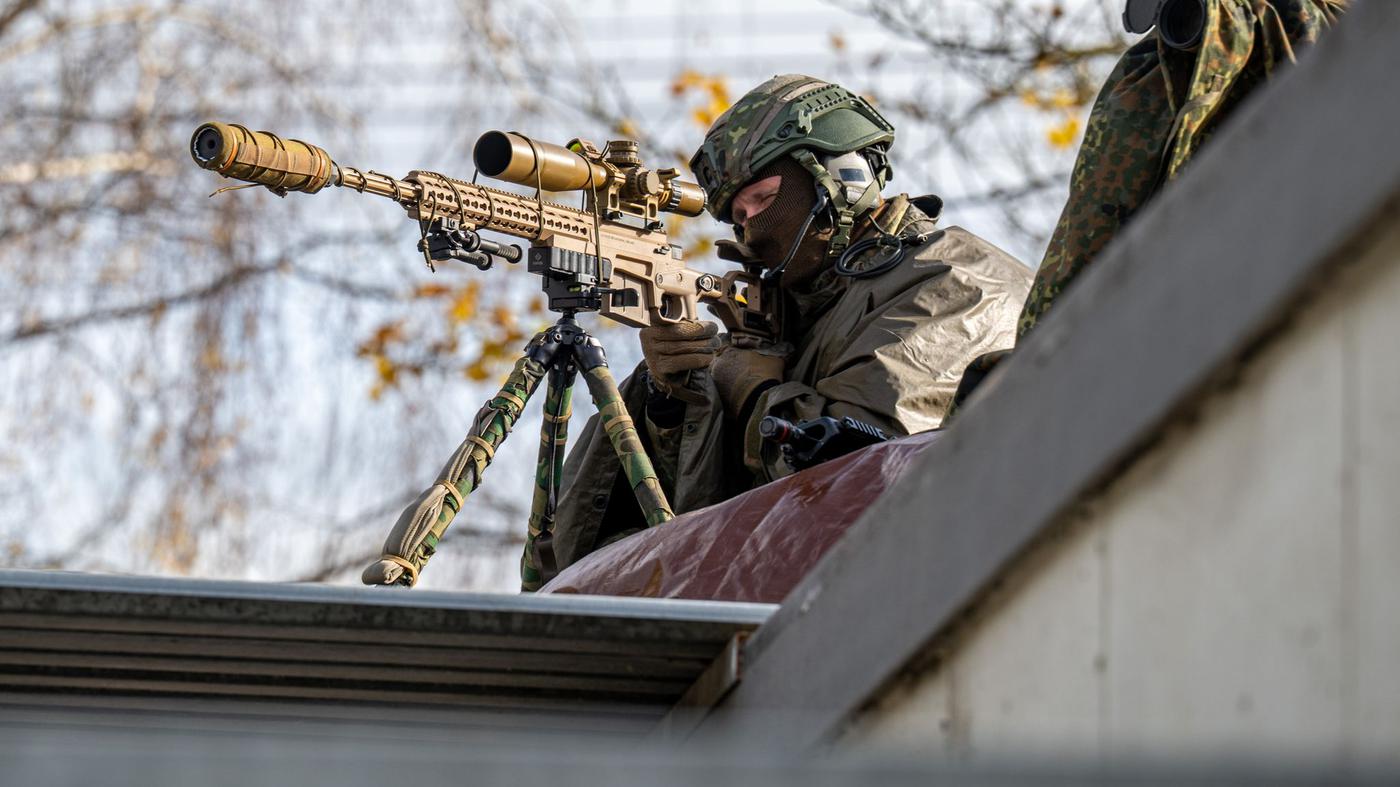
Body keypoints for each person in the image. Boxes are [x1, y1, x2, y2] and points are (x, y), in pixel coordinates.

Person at [521, 74, 1032, 591]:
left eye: (764, 199)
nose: (751, 230)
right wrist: (671, 402)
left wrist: (754, 389)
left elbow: (864, 476)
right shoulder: (789, 315)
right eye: (738, 218)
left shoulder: (953, 281)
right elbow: (682, 525)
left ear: (842, 177)